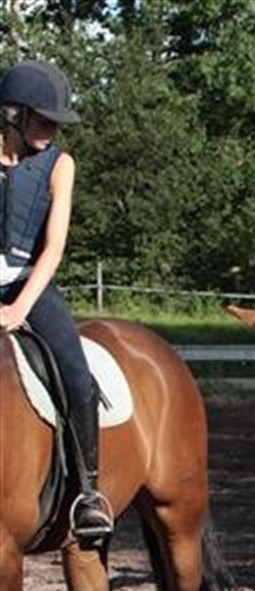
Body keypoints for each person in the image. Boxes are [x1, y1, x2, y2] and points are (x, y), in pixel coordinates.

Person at [0, 60, 113, 546]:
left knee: (76, 375)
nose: (51, 131)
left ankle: (88, 492)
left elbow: (54, 248)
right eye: (44, 121)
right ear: (14, 115)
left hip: (32, 287)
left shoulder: (60, 165)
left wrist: (18, 309)